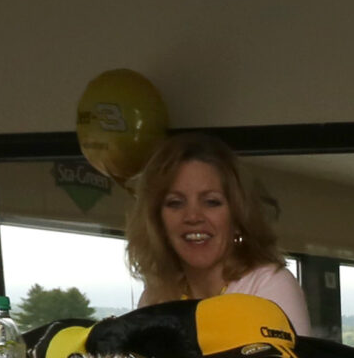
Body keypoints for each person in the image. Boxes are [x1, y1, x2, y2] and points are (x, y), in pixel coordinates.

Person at [126, 130, 312, 332]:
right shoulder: (154, 297)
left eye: (211, 202)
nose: (193, 216)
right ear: (157, 220)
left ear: (238, 214)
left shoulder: (270, 285)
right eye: (175, 203)